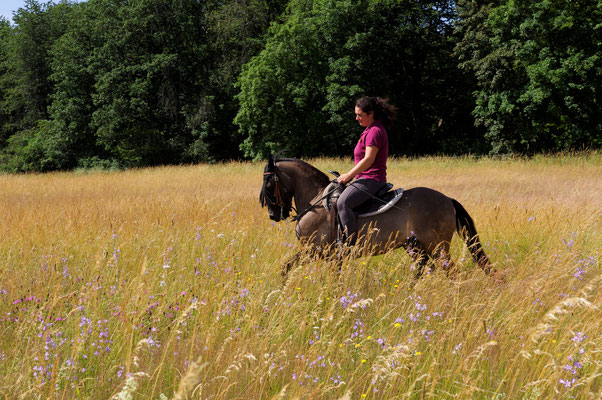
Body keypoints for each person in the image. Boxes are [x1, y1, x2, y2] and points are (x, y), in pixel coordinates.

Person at [336, 96, 396, 245]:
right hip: (364, 178)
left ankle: (350, 244)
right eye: (356, 114)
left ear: (371, 114)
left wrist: (349, 175)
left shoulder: (375, 131)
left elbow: (369, 159)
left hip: (372, 179)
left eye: (360, 115)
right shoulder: (368, 130)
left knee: (343, 203)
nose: (357, 118)